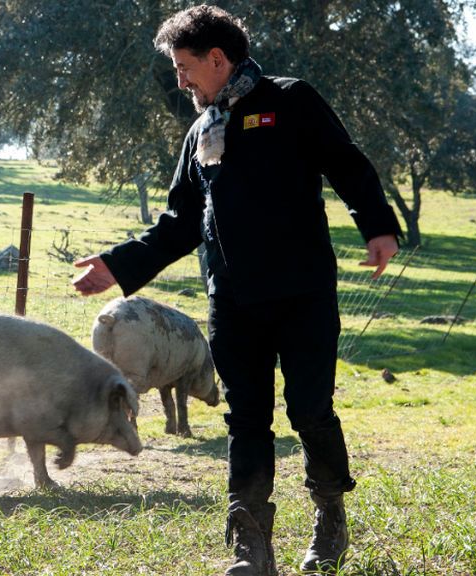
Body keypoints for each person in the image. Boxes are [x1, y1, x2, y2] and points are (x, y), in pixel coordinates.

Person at [72, 5, 401, 576]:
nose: (179, 79)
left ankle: (329, 518)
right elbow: (178, 222)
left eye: (184, 66)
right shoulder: (201, 131)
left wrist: (376, 225)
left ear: (217, 59)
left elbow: (347, 165)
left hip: (303, 296)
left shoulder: (292, 101)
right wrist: (118, 267)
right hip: (233, 303)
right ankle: (251, 546)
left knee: (310, 411)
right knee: (246, 418)